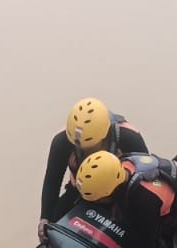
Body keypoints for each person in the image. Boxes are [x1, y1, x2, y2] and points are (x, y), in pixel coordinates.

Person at [40, 98, 147, 236]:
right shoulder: (62, 141)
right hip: (81, 190)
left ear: (105, 133)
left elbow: (144, 179)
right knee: (50, 229)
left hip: (119, 193)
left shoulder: (129, 138)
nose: (87, 153)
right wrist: (45, 218)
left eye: (91, 146)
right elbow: (52, 181)